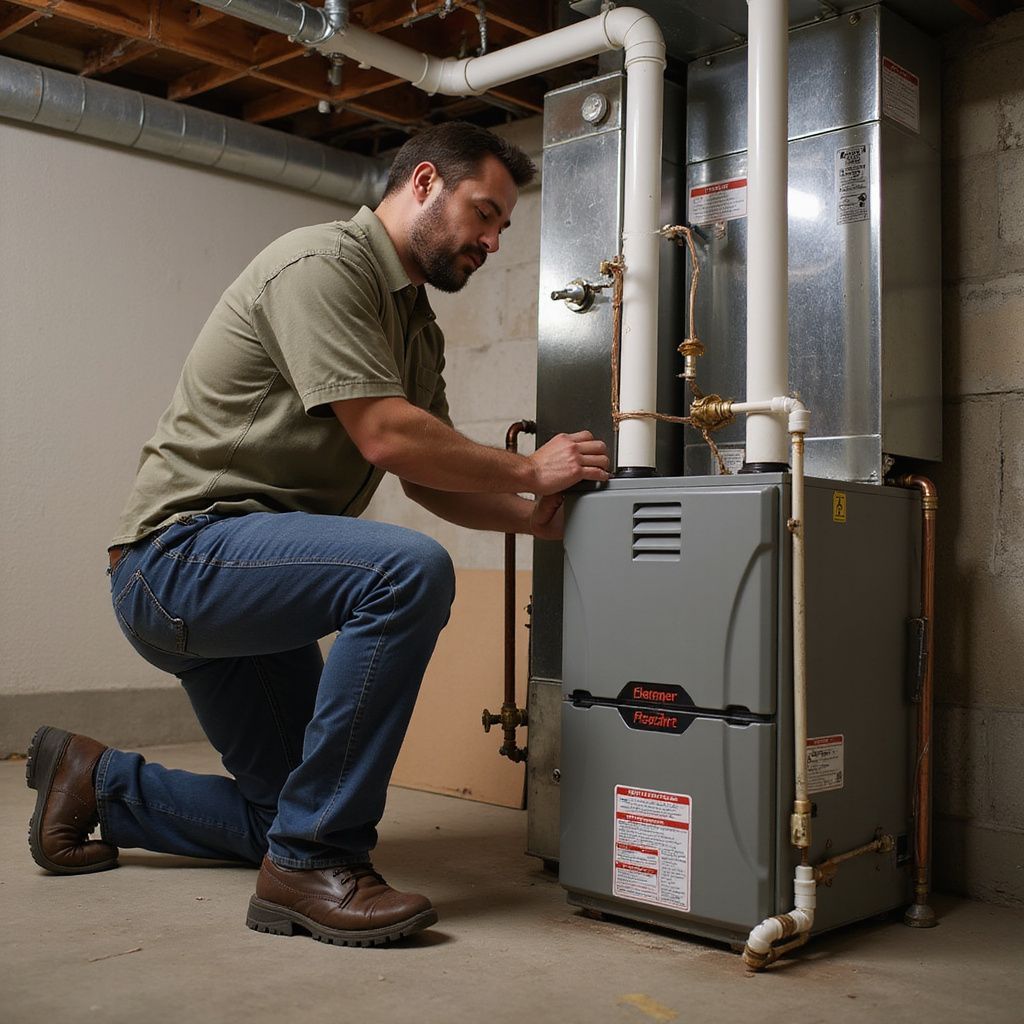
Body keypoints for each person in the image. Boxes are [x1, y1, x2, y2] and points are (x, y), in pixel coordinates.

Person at [24, 122, 610, 948]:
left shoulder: (416, 327)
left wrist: (531, 519)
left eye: (504, 227)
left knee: (280, 811)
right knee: (407, 572)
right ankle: (313, 864)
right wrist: (530, 471)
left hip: (253, 573)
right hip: (179, 558)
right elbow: (387, 437)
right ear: (423, 183)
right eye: (484, 213)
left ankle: (97, 784)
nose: (492, 240)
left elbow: (426, 474)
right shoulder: (323, 264)